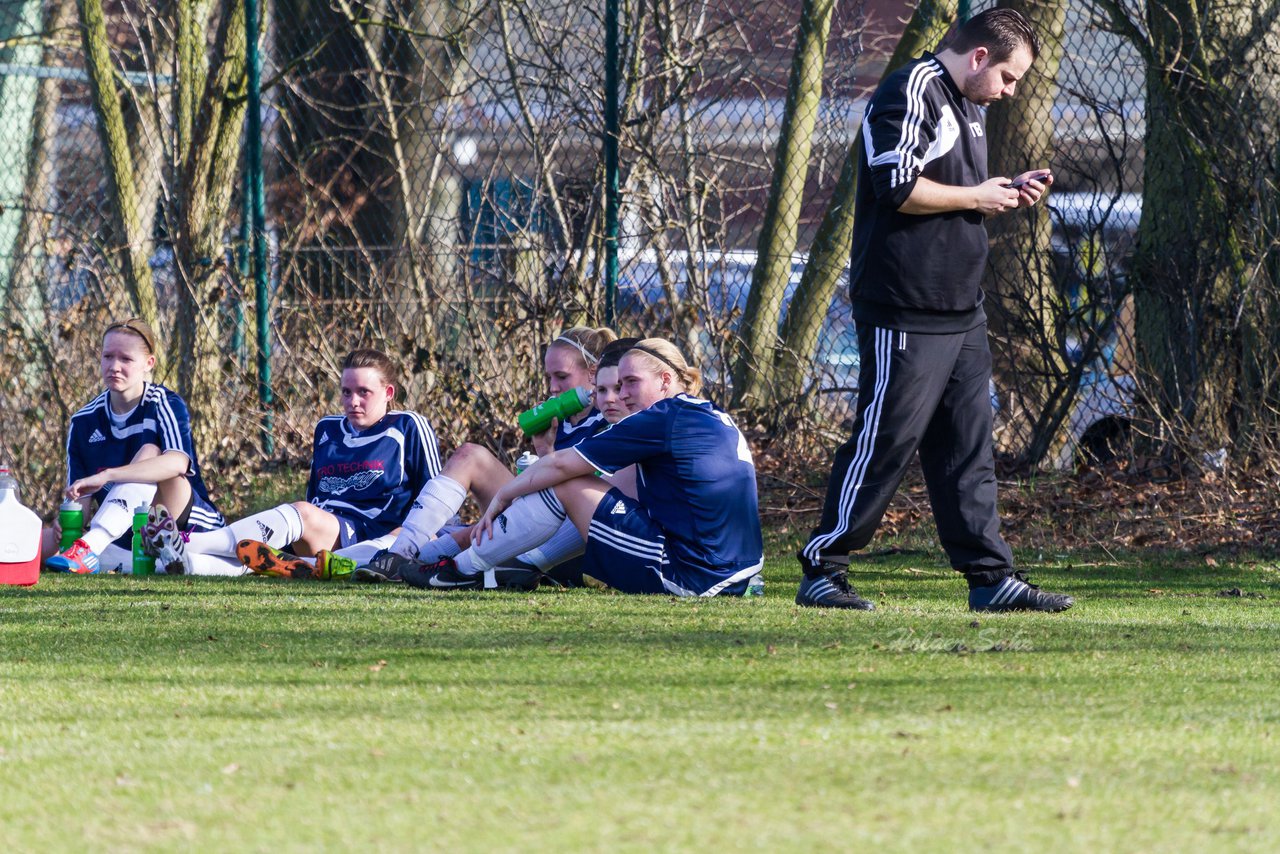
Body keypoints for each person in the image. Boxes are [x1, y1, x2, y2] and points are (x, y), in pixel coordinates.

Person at [795, 8, 1072, 612]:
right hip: (904, 305)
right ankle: (823, 567)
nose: (1010, 91)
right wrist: (978, 194)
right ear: (978, 58)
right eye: (1009, 77)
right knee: (885, 438)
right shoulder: (911, 89)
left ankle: (990, 578)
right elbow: (896, 183)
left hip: (960, 308)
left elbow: (948, 188)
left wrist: (1003, 188)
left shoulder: (969, 103)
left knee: (967, 450)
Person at [402, 338, 764, 597]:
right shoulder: (709, 414)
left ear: (666, 381)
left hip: (694, 575)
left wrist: (503, 497)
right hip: (739, 571)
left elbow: (563, 468)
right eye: (616, 386)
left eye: (631, 384)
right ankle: (476, 562)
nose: (621, 396)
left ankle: (462, 571)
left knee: (568, 484)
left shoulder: (661, 418)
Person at [348, 326, 618, 583]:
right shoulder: (557, 418)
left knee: (472, 534)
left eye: (561, 376)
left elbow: (581, 493)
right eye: (549, 377)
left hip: (571, 539)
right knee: (470, 455)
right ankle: (399, 555)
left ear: (593, 374)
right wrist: (543, 451)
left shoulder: (610, 418)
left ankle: (424, 562)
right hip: (536, 516)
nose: (552, 387)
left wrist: (544, 464)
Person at [149, 348, 442, 576]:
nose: (353, 401)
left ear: (388, 393)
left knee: (300, 514)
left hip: (372, 534)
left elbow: (438, 499)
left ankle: (188, 543)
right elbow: (316, 496)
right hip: (320, 531)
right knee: (262, 556)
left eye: (364, 392)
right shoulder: (327, 429)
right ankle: (184, 561)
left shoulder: (407, 426)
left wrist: (407, 536)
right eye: (346, 391)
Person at [42, 317, 225, 574]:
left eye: (126, 359)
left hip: (184, 523)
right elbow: (80, 499)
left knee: (150, 452)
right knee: (38, 543)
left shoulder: (163, 402)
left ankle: (91, 547)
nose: (114, 366)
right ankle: (102, 552)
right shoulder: (83, 421)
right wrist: (68, 522)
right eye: (108, 357)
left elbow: (178, 462)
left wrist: (109, 475)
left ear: (148, 363)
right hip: (125, 535)